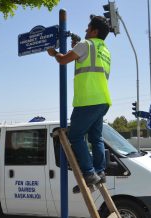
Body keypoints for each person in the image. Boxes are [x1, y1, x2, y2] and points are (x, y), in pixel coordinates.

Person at [47, 15, 111, 187]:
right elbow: (86, 62)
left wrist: (54, 53)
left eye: (88, 27)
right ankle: (99, 171)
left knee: (75, 136)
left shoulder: (86, 45)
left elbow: (63, 60)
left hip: (87, 100)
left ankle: (89, 174)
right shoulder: (104, 50)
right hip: (103, 100)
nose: (85, 30)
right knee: (95, 137)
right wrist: (76, 47)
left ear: (95, 30)